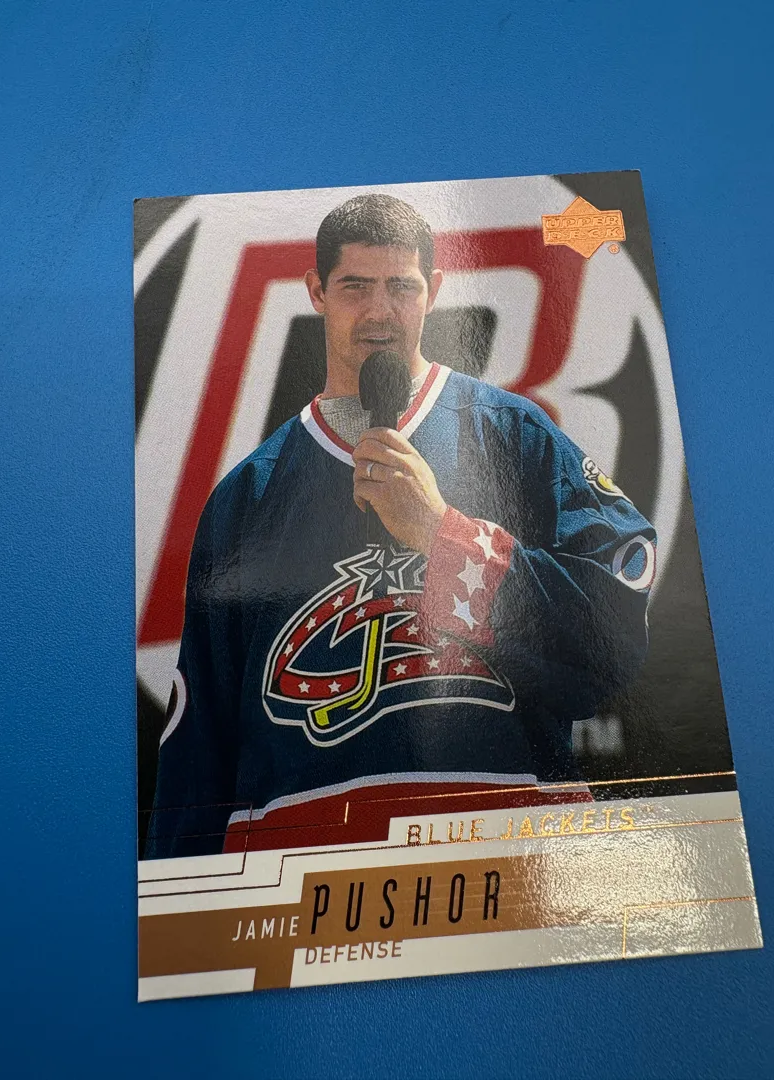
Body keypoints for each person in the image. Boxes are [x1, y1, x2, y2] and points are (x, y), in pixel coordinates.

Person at [146, 193, 656, 859]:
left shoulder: (514, 435)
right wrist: (177, 904)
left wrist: (445, 535)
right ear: (317, 291)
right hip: (304, 883)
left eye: (401, 287)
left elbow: (611, 643)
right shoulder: (248, 495)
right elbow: (198, 750)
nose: (379, 311)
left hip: (510, 864)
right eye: (355, 287)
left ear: (433, 291)